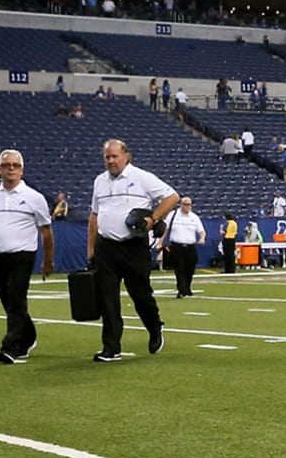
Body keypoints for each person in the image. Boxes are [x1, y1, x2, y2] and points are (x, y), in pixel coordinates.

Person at [87, 139, 178, 362]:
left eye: (114, 156)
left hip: (133, 246)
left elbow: (172, 197)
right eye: (107, 157)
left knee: (141, 295)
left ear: (126, 156)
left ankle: (154, 327)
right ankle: (111, 347)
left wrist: (153, 218)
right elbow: (95, 215)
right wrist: (91, 247)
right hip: (106, 246)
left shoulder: (142, 177)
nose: (110, 161)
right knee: (107, 298)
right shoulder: (100, 181)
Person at [0, 150, 55, 364]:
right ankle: (28, 336)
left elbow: (46, 231)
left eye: (15, 165)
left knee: (16, 298)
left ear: (22, 169)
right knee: (7, 300)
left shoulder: (34, 198)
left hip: (23, 255)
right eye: (6, 165)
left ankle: (10, 346)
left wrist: (48, 260)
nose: (11, 169)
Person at [155, 197, 206, 298]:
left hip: (190, 246)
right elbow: (165, 230)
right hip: (177, 246)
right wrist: (159, 242)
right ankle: (181, 290)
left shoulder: (194, 217)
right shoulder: (173, 215)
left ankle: (187, 288)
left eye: (189, 205)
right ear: (181, 205)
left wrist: (202, 238)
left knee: (190, 269)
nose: (188, 207)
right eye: (185, 204)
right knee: (179, 268)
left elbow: (201, 230)